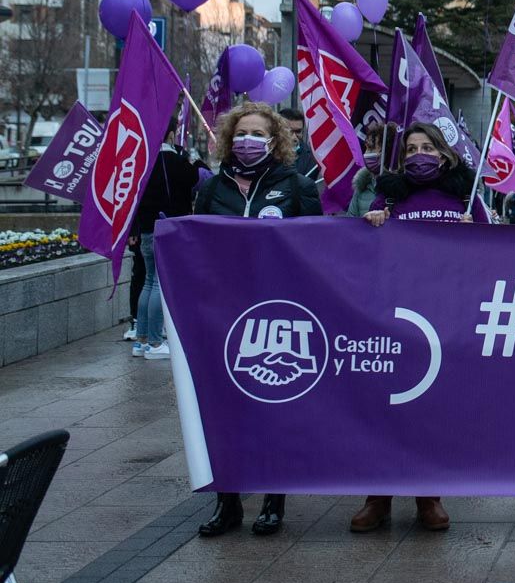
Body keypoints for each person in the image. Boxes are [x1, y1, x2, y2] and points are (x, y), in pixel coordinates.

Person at [192, 102, 321, 538]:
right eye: (240, 133)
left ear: (275, 140)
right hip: (223, 313)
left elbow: (318, 246)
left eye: (257, 134)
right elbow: (197, 243)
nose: (247, 141)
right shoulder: (213, 187)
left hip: (277, 311)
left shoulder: (297, 186)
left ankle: (272, 500)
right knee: (222, 409)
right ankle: (226, 503)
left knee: (273, 407)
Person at [351, 123, 477, 534]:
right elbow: (358, 244)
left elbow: (495, 253)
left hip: (445, 313)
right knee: (387, 405)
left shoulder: (464, 195)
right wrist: (372, 222)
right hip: (396, 312)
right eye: (410, 149)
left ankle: (428, 495)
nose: (419, 154)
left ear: (443, 154)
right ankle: (378, 496)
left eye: (427, 147)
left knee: (431, 409)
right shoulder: (391, 194)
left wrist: (475, 232)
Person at [129, 117, 201, 361]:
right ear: (171, 134)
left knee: (149, 281)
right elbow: (195, 179)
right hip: (168, 229)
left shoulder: (142, 161)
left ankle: (141, 340)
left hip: (147, 229)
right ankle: (155, 342)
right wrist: (195, 162)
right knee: (159, 284)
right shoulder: (174, 160)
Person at [344, 123, 385, 218]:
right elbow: (350, 223)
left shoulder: (401, 189)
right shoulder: (362, 187)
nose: (366, 153)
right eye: (366, 148)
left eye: (371, 148)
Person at [279, 107, 322, 184]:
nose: (294, 137)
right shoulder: (266, 153)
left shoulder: (312, 159)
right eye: (289, 131)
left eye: (298, 131)